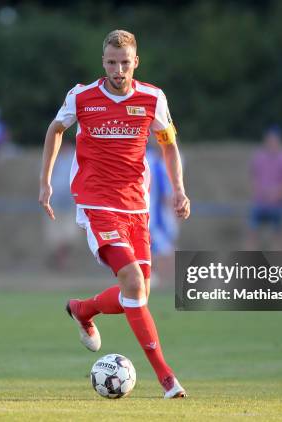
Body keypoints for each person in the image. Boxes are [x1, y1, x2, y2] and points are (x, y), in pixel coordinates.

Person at [39, 30, 190, 399]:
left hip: (136, 207)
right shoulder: (82, 96)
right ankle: (167, 379)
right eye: (111, 62)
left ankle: (82, 310)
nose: (118, 70)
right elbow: (56, 129)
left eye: (124, 63)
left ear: (135, 62)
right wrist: (45, 182)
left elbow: (169, 145)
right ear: (102, 61)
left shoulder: (153, 98)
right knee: (133, 283)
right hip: (96, 203)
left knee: (137, 293)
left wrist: (179, 188)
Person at [246, 126, 282, 250]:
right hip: (260, 202)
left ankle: (277, 265)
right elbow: (252, 178)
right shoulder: (258, 157)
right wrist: (259, 192)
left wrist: (278, 193)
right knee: (252, 234)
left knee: (277, 236)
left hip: (278, 203)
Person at [43, 141, 80, 271]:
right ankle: (61, 261)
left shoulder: (75, 159)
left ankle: (62, 259)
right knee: (56, 237)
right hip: (55, 204)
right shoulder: (53, 158)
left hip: (70, 204)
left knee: (70, 236)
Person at [146, 145, 180, 288]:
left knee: (157, 248)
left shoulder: (154, 161)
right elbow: (164, 195)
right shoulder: (154, 162)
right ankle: (152, 276)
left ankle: (152, 276)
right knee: (163, 248)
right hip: (151, 215)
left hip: (150, 214)